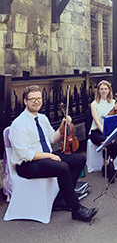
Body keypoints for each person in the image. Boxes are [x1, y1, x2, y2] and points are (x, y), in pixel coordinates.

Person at [9, 85, 98, 222]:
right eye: (32, 99)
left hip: (45, 158)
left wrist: (63, 126)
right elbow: (25, 154)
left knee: (79, 160)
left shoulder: (43, 118)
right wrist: (50, 155)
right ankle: (76, 210)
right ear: (25, 101)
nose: (36, 101)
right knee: (62, 167)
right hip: (28, 165)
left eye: (39, 98)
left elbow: (53, 139)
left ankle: (61, 199)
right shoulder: (19, 124)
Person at [89, 80, 117, 183]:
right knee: (106, 141)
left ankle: (110, 163)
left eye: (105, 89)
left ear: (109, 90)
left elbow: (116, 120)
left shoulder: (113, 102)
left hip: (109, 131)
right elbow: (97, 122)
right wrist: (106, 134)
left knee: (116, 143)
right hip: (97, 132)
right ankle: (106, 166)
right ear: (98, 90)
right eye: (101, 89)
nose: (103, 91)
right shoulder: (94, 104)